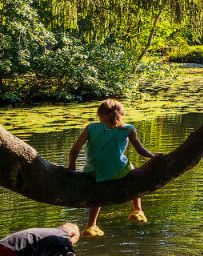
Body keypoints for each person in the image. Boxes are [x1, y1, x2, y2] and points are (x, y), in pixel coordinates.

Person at [67, 98, 162, 236]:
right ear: (121, 114)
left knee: (98, 192)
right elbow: (140, 150)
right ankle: (137, 210)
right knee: (133, 170)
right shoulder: (128, 129)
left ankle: (90, 226)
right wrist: (153, 156)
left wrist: (72, 166)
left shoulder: (91, 127)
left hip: (93, 171)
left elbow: (74, 150)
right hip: (117, 171)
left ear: (100, 115)